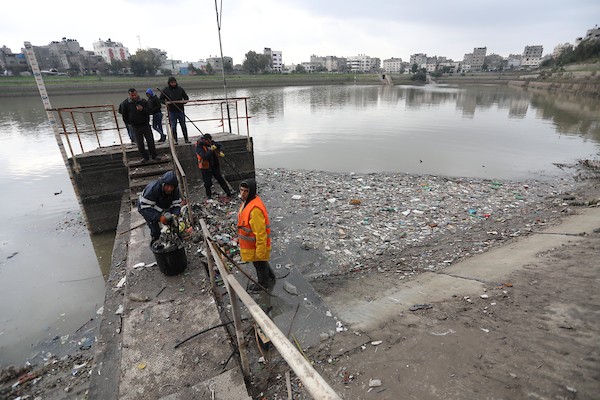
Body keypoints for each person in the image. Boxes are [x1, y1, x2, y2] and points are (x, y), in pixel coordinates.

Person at [237, 179, 276, 291]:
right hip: (252, 243)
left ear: (252, 191)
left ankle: (263, 284)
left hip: (256, 245)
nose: (242, 194)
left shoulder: (254, 210)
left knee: (259, 265)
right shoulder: (248, 202)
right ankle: (271, 276)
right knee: (261, 263)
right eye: (241, 190)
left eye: (246, 191)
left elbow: (260, 233)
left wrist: (260, 250)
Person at [138, 171, 182, 242]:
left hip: (161, 204)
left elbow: (176, 204)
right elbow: (145, 208)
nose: (169, 189)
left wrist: (174, 214)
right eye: (167, 186)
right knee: (155, 229)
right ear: (163, 184)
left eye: (172, 187)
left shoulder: (175, 191)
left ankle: (173, 238)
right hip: (146, 207)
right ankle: (156, 240)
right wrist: (159, 217)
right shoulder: (153, 189)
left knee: (172, 223)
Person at [120, 88, 159, 163]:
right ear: (129, 95)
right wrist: (129, 123)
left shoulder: (143, 101)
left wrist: (142, 109)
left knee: (150, 141)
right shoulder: (126, 103)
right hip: (135, 126)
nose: (134, 97)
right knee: (140, 143)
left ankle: (154, 155)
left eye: (135, 95)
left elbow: (150, 111)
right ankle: (144, 157)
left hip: (145, 124)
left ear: (137, 93)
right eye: (132, 95)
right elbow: (124, 114)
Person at [195, 134, 233, 198]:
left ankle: (228, 193)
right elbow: (204, 157)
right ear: (204, 140)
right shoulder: (198, 146)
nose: (210, 142)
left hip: (214, 165)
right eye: (208, 141)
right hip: (205, 167)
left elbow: (220, 145)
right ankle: (209, 196)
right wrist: (211, 150)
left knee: (220, 179)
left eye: (210, 141)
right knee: (207, 183)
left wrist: (221, 151)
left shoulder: (211, 142)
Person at [159, 76, 190, 144]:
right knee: (173, 126)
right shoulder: (165, 90)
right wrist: (166, 103)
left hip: (180, 110)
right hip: (171, 111)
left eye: (174, 82)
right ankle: (175, 140)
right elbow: (160, 99)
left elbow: (186, 98)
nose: (173, 84)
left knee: (183, 125)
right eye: (172, 83)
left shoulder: (180, 89)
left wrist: (183, 102)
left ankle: (186, 139)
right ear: (169, 83)